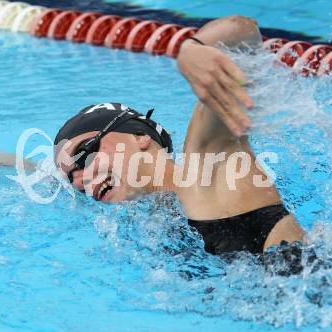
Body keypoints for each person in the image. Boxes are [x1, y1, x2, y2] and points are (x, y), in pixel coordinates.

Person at [53, 15, 305, 256]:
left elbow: (245, 31)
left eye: (84, 153)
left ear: (140, 136)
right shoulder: (154, 232)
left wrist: (192, 49)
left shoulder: (210, 167)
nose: (78, 182)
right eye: (71, 178)